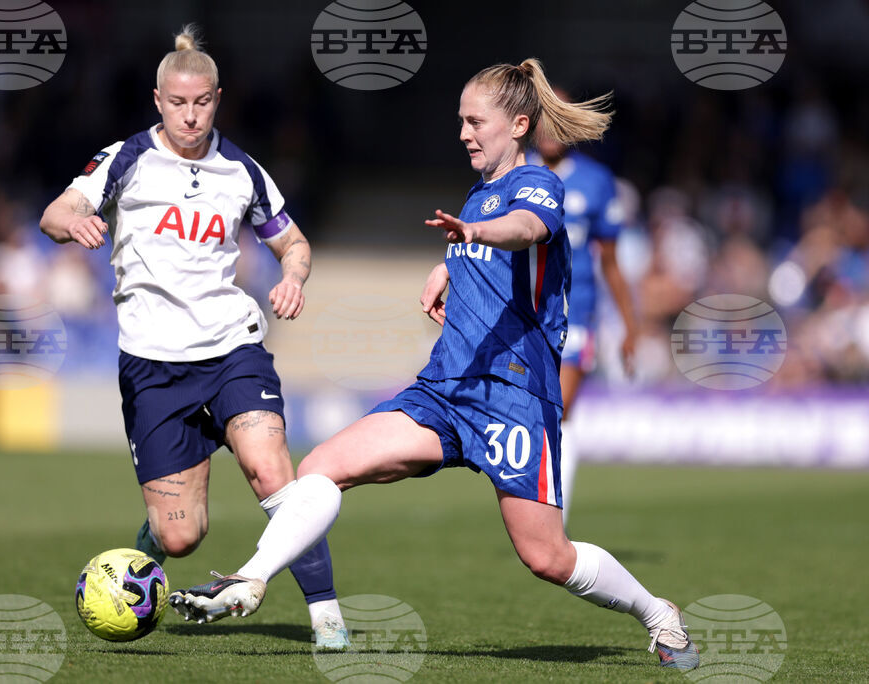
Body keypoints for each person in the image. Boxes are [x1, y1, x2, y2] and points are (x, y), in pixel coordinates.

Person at [168, 58, 700, 670]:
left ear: (519, 124)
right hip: (444, 392)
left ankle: (660, 615)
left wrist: (473, 235)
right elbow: (494, 248)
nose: (464, 133)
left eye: (476, 122)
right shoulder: (480, 194)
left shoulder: (538, 187)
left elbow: (526, 229)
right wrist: (451, 265)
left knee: (547, 558)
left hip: (514, 397)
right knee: (320, 466)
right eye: (460, 122)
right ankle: (250, 580)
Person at [38, 25, 350, 650]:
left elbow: (292, 240)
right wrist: (76, 225)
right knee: (182, 537)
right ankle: (147, 551)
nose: (190, 114)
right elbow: (54, 212)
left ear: (218, 98)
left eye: (202, 102)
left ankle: (329, 621)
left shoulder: (242, 170)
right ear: (157, 100)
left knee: (272, 474)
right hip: (153, 368)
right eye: (178, 103)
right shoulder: (124, 159)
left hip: (232, 349)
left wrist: (292, 275)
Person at [525, 98, 639, 525]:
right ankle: (532, 505)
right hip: (522, 313)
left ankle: (553, 516)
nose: (551, 131)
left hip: (576, 311)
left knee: (559, 408)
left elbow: (611, 261)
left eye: (560, 123)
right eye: (545, 122)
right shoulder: (513, 174)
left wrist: (630, 325)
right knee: (530, 411)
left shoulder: (596, 181)